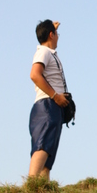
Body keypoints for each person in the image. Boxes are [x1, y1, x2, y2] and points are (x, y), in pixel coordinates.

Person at [28, 19, 69, 178]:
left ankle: (42, 192)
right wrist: (55, 96)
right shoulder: (43, 52)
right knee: (43, 146)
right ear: (51, 35)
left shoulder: (47, 50)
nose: (58, 37)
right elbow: (34, 74)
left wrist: (52, 28)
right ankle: (31, 187)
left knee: (48, 152)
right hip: (48, 105)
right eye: (56, 34)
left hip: (52, 106)